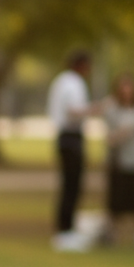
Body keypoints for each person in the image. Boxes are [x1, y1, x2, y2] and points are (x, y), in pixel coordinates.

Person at [100, 73, 134, 247]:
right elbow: (111, 138)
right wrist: (123, 132)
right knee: (115, 200)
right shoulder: (112, 110)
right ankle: (110, 234)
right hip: (118, 162)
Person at [47, 50, 92, 251]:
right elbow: (73, 110)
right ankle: (67, 231)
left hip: (63, 137)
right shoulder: (73, 83)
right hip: (71, 136)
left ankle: (65, 229)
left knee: (69, 184)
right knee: (72, 185)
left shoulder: (61, 81)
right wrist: (96, 109)